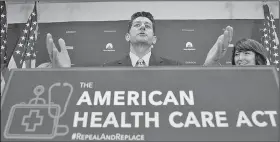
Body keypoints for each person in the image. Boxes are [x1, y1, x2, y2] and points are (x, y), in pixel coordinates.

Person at [40, 12, 233, 68]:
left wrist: (210, 67)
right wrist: (63, 75)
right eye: (137, 25)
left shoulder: (174, 67)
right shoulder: (108, 70)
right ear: (127, 36)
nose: (142, 27)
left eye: (147, 26)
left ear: (154, 39)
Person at [204, 37, 268, 66]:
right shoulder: (230, 81)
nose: (240, 58)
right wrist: (212, 62)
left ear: (258, 57)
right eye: (237, 54)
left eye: (246, 53)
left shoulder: (269, 81)